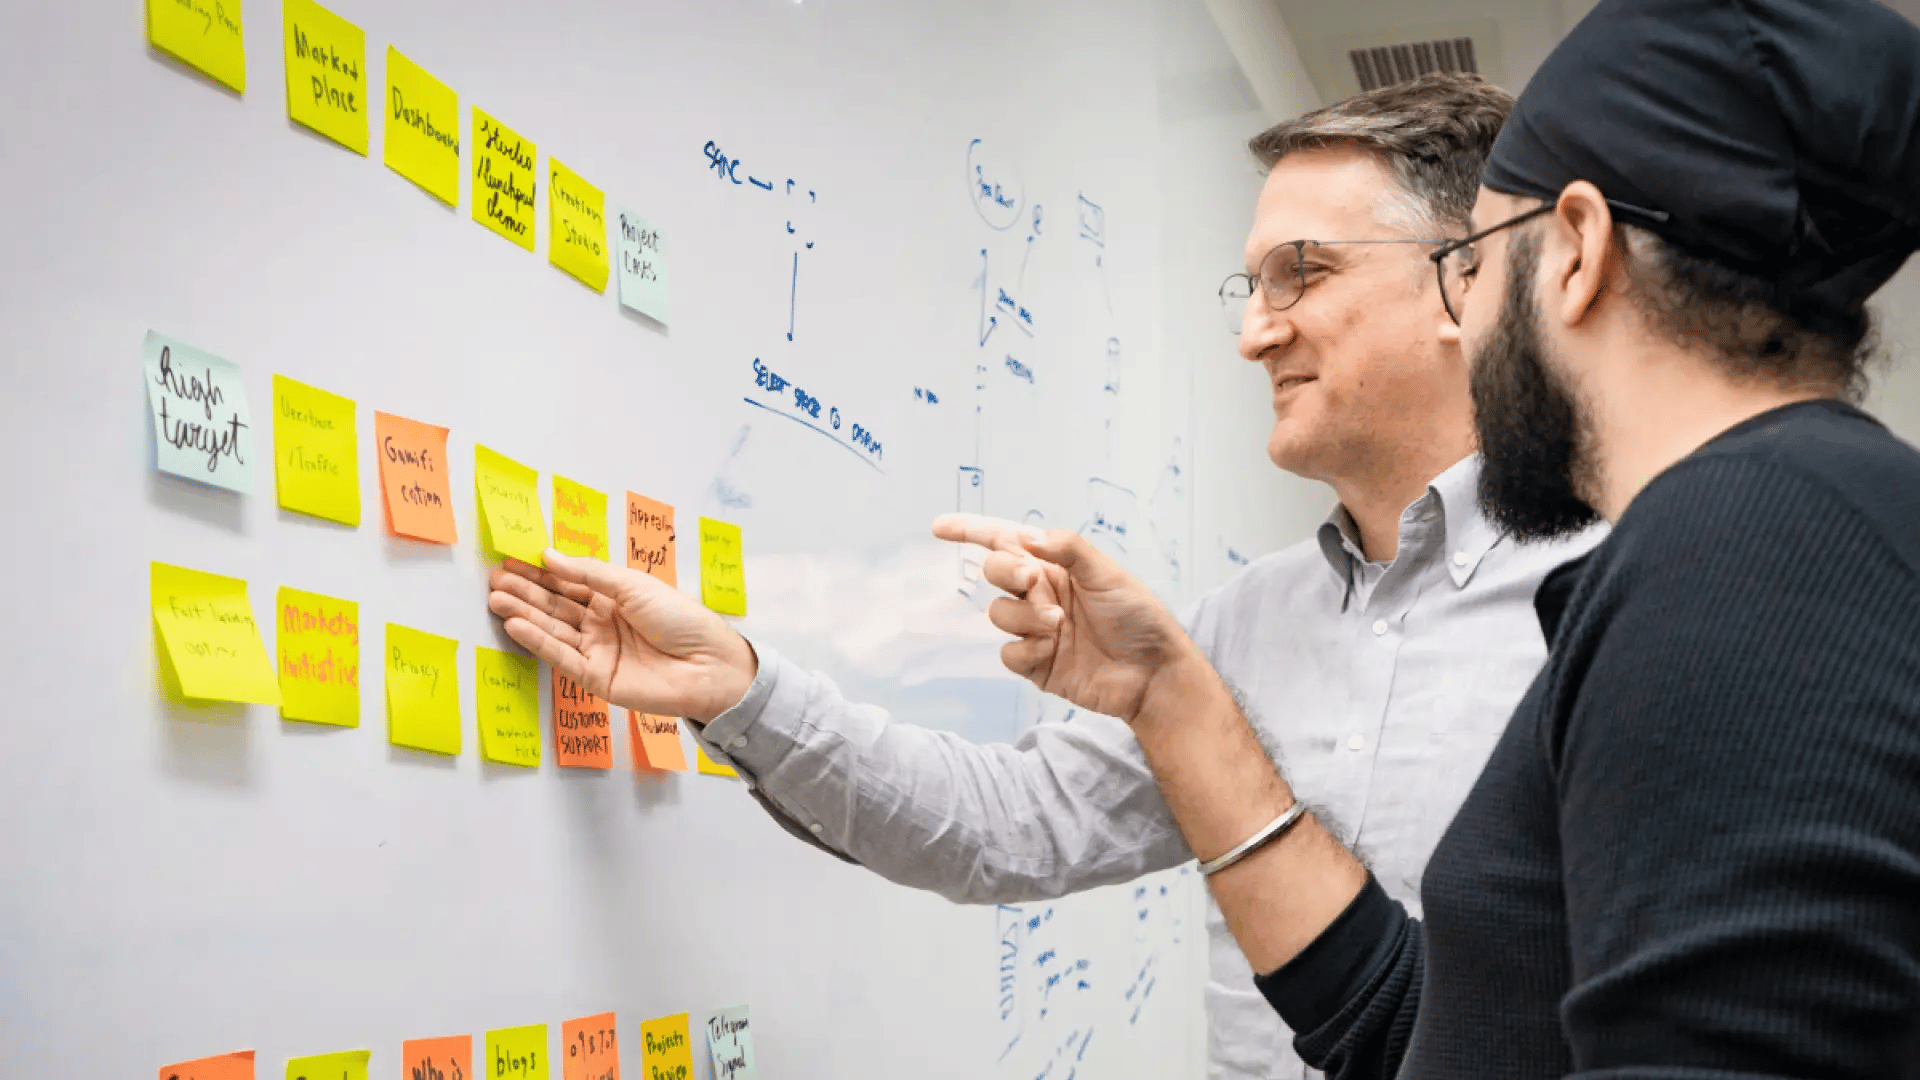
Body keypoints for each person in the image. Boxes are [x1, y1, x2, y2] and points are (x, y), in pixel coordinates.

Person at [487, 75, 1603, 1079]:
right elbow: (1005, 826)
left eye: (1299, 275)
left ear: (1467, 280)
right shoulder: (1241, 628)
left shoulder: (1614, 599)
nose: (1254, 335)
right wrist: (738, 687)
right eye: (1251, 284)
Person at [927, 0, 1920, 1075]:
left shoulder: (1756, 554)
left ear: (1576, 253)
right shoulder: (1734, 541)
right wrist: (1172, 697)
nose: (1468, 314)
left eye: (1479, 264)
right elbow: (1449, 1033)